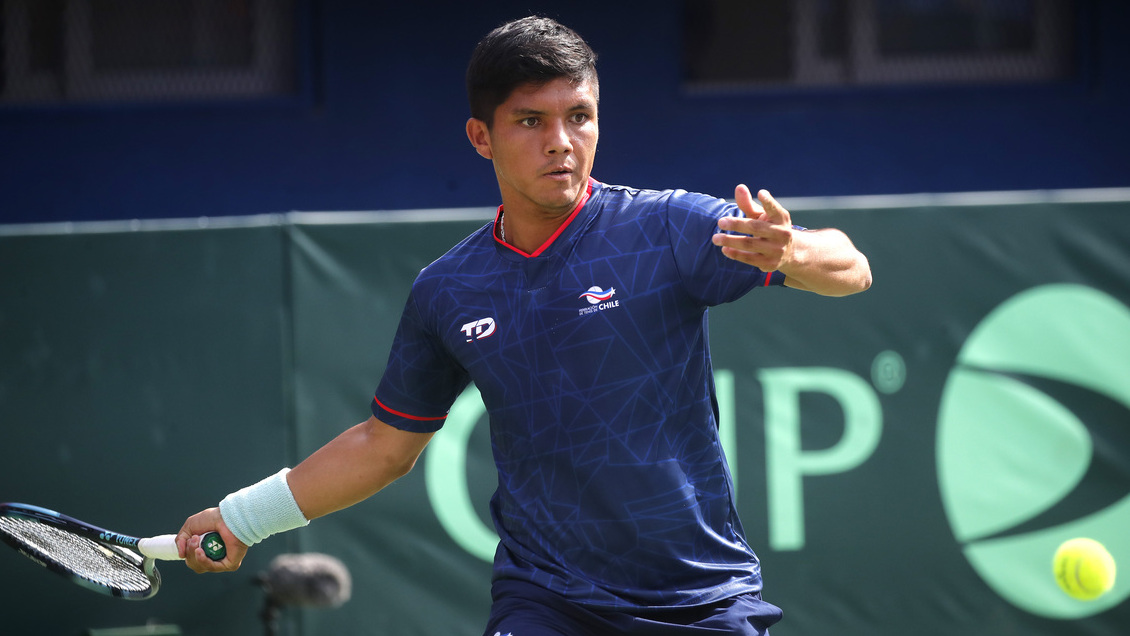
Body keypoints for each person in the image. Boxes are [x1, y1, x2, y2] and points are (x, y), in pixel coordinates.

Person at [177, 16, 871, 636]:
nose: (562, 143)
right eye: (531, 121)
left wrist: (794, 251)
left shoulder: (665, 227)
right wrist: (243, 517)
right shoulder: (447, 290)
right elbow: (382, 446)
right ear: (482, 137)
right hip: (547, 601)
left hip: (699, 598)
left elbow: (853, 266)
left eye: (580, 116)